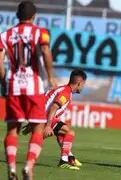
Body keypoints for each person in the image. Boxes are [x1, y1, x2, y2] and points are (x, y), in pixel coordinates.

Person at [0, 1, 57, 179]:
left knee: (12, 130)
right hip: (34, 87)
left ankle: (11, 167)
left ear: (17, 16)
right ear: (34, 16)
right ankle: (28, 166)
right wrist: (50, 76)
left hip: (14, 86)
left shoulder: (5, 35)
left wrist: (4, 80)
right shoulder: (41, 33)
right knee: (38, 128)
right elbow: (46, 51)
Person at [22, 69, 86, 170]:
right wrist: (47, 126)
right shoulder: (65, 92)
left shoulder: (63, 89)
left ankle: (69, 157)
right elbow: (53, 107)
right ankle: (64, 160)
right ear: (79, 83)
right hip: (44, 116)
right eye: (83, 84)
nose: (83, 87)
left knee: (61, 134)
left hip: (39, 115)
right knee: (69, 132)